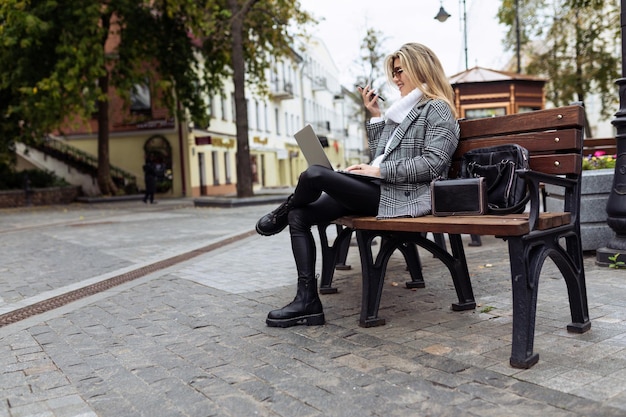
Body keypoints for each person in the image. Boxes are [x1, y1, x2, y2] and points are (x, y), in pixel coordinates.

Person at [255, 42, 460, 328]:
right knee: (298, 216)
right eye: (394, 73)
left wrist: (377, 170)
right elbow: (379, 155)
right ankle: (307, 302)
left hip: (403, 196)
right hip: (379, 189)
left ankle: (279, 212)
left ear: (420, 68)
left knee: (314, 175)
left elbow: (433, 164)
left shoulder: (438, 109)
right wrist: (375, 115)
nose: (396, 79)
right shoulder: (402, 111)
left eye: (400, 71)